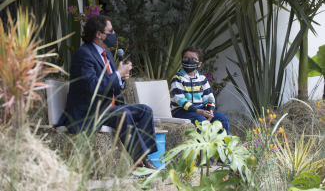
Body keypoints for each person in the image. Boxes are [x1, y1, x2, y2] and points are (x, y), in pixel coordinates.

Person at [57, 15, 158, 169]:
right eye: (110, 31)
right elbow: (92, 86)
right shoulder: (83, 54)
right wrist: (117, 75)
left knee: (145, 110)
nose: (113, 34)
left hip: (107, 110)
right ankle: (140, 161)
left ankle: (146, 157)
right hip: (88, 113)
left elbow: (111, 84)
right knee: (123, 114)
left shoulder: (107, 53)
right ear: (99, 34)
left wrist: (121, 80)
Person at [170, 45, 229, 135]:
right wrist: (198, 111)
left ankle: (222, 147)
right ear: (182, 60)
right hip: (180, 111)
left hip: (200, 109)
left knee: (223, 119)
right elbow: (180, 100)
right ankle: (202, 149)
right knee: (201, 121)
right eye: (186, 58)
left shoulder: (202, 79)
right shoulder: (177, 78)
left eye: (193, 59)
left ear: (199, 64)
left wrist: (210, 111)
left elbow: (209, 98)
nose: (189, 61)